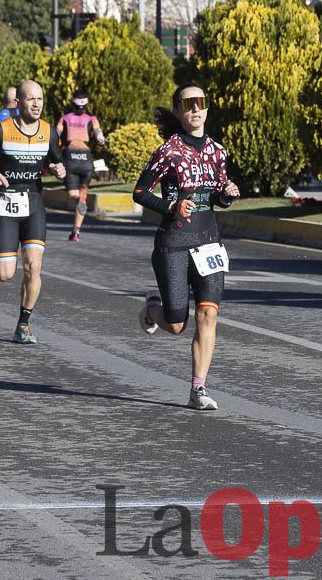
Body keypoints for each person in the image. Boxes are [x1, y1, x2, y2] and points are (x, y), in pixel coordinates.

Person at [133, 84, 240, 411]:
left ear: (207, 108)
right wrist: (171, 207)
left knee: (208, 314)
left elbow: (218, 196)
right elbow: (139, 193)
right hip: (174, 243)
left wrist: (228, 195)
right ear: (178, 111)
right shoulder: (169, 150)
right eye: (187, 104)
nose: (195, 109)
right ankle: (153, 308)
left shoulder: (218, 151)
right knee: (177, 323)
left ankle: (198, 389)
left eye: (200, 102)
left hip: (209, 242)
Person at [0, 80, 66, 344]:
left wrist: (60, 169)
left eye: (40, 99)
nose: (37, 104)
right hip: (7, 202)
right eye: (30, 99)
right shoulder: (1, 130)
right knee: (5, 274)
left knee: (33, 267)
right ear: (18, 103)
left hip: (34, 202)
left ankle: (23, 324)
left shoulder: (48, 132)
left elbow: (57, 160)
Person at [56, 89, 106, 242]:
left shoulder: (80, 118)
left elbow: (97, 132)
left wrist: (100, 138)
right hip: (78, 159)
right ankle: (76, 226)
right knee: (77, 196)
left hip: (79, 159)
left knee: (77, 196)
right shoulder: (75, 118)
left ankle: (76, 230)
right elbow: (57, 134)